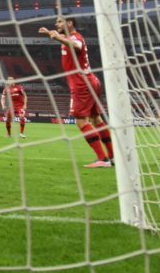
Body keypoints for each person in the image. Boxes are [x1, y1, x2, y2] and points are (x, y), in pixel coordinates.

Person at [39, 16, 114, 168]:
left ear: (70, 23)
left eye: (60, 21)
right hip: (91, 80)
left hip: (81, 83)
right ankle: (112, 156)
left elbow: (76, 45)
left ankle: (102, 159)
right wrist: (51, 34)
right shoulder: (68, 37)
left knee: (81, 121)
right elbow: (65, 39)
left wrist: (57, 38)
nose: (56, 24)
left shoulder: (75, 37)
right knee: (96, 119)